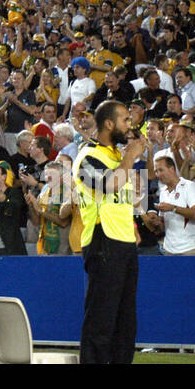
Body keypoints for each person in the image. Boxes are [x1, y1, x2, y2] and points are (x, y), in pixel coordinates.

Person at [73, 100, 146, 365]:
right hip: (102, 241)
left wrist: (134, 226)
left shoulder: (116, 157)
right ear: (108, 124)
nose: (131, 125)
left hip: (125, 242)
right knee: (101, 320)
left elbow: (125, 200)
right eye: (126, 119)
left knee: (126, 323)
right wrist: (130, 156)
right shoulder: (87, 156)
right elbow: (108, 186)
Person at [149, 155, 195, 255]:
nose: (158, 174)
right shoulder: (163, 192)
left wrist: (172, 208)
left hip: (190, 248)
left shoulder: (189, 187)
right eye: (156, 171)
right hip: (169, 249)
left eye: (161, 170)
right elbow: (163, 225)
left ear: (172, 169)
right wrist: (157, 222)